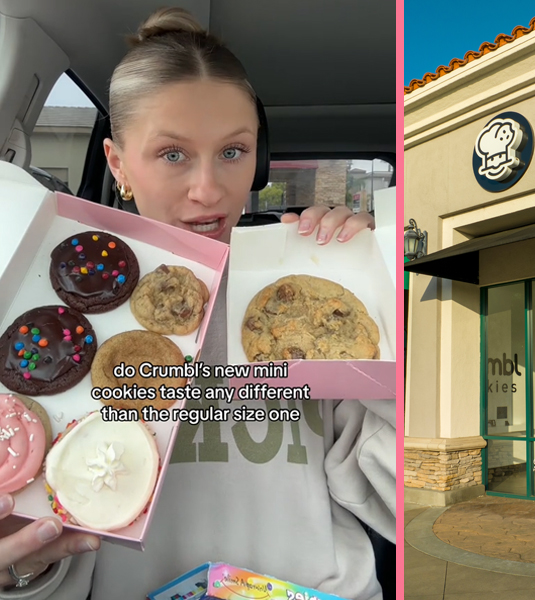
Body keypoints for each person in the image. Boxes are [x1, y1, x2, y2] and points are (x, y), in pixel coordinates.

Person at [0, 7, 395, 600]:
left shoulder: (303, 301)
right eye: (173, 154)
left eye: (233, 152)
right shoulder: (54, 338)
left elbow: (399, 497)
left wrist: (383, 292)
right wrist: (23, 566)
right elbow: (60, 544)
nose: (209, 190)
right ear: (116, 164)